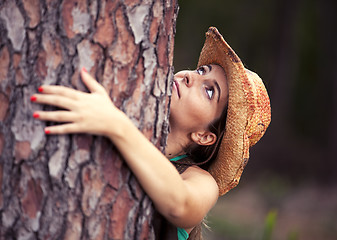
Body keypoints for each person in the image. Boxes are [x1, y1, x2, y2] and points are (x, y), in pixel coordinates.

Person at [31, 27, 271, 240]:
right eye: (201, 70)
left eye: (209, 91)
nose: (190, 76)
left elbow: (180, 204)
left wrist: (115, 123)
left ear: (205, 136)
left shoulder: (202, 182)